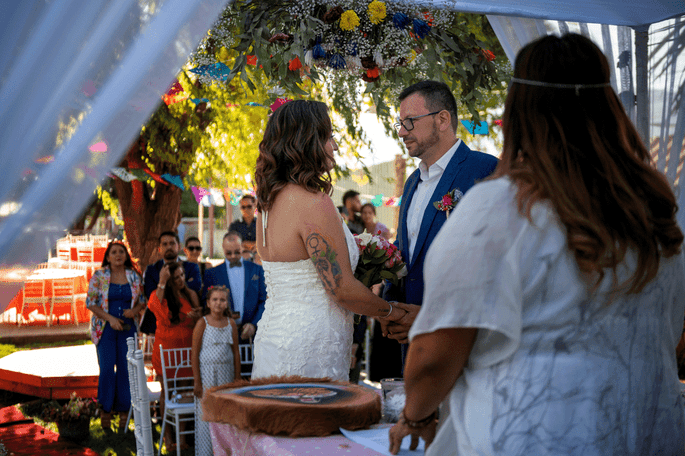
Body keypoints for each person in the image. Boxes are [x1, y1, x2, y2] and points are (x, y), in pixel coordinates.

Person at [388, 34, 685, 456]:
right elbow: (671, 333)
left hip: (536, 435)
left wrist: (415, 415)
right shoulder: (654, 209)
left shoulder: (500, 205)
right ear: (608, 110)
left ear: (520, 113)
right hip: (649, 429)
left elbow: (437, 351)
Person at [251, 99, 407, 382]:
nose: (334, 145)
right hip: (311, 347)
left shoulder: (266, 203)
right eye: (328, 136)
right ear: (307, 141)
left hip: (272, 341)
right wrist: (391, 312)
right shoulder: (313, 203)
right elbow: (342, 289)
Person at [382, 80, 498, 364]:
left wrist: (430, 317)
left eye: (409, 121)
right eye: (399, 123)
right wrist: (390, 307)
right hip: (412, 340)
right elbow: (405, 251)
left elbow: (493, 263)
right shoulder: (411, 182)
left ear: (442, 119)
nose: (401, 132)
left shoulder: (485, 170)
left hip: (463, 338)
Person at [86, 241, 146, 430]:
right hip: (105, 329)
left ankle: (123, 414)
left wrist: (134, 310)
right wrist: (110, 318)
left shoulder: (134, 276)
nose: (118, 255)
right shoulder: (99, 275)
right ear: (108, 256)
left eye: (122, 252)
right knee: (106, 369)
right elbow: (91, 302)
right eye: (114, 252)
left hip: (128, 328)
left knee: (126, 371)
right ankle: (105, 411)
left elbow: (143, 300)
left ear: (126, 256)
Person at [148, 261, 201, 449]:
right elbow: (154, 306)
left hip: (187, 352)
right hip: (167, 353)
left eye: (181, 275)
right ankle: (168, 439)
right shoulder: (160, 296)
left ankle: (183, 438)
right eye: (175, 277)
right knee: (168, 393)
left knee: (185, 394)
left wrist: (197, 317)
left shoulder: (190, 294)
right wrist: (162, 281)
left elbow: (200, 319)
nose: (180, 280)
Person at [192, 286, 240, 456]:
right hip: (207, 377)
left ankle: (225, 451)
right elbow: (195, 352)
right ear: (208, 303)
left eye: (222, 300)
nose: (218, 303)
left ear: (227, 303)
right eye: (215, 300)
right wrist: (197, 381)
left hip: (226, 376)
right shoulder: (202, 323)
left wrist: (237, 379)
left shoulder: (231, 324)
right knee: (207, 415)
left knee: (225, 415)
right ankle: (206, 452)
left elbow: (235, 352)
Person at [202, 231, 267, 343]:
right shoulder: (212, 273)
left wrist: (254, 324)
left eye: (237, 252)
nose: (233, 256)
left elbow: (264, 301)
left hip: (253, 335)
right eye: (228, 253)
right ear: (223, 248)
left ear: (242, 247)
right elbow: (206, 303)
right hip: (222, 335)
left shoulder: (257, 270)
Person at [140, 231, 202, 334]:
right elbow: (150, 293)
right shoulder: (152, 269)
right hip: (157, 326)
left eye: (172, 243)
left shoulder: (191, 267)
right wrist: (181, 286)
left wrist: (163, 286)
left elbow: (196, 286)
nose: (169, 247)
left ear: (179, 246)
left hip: (187, 323)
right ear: (159, 249)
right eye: (165, 244)